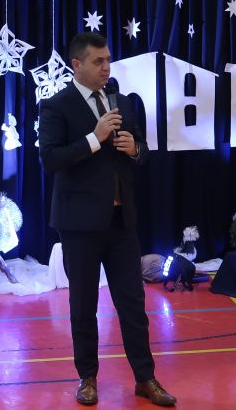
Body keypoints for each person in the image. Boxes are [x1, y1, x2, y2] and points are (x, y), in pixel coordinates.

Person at [39, 32, 177, 407]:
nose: (106, 68)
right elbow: (50, 159)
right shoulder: (57, 106)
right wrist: (94, 137)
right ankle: (87, 378)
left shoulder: (120, 102)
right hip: (79, 225)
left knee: (133, 304)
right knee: (83, 306)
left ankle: (145, 378)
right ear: (77, 65)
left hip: (121, 221)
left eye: (108, 60)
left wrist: (136, 150)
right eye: (98, 61)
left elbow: (142, 150)